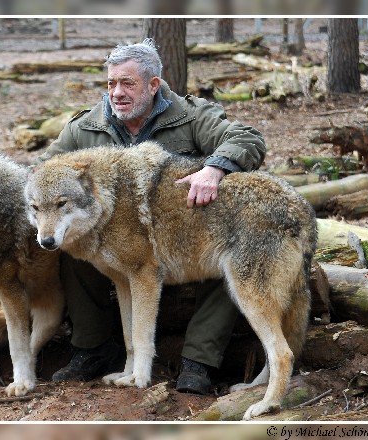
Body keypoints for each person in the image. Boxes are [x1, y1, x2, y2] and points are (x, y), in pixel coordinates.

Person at [37, 38, 266, 394]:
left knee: (227, 256)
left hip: (185, 235)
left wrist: (214, 169)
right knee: (68, 247)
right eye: (111, 83)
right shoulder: (84, 128)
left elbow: (247, 138)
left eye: (128, 83)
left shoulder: (190, 115)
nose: (117, 92)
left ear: (153, 84)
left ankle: (198, 361)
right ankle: (93, 349)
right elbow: (44, 175)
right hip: (116, 246)